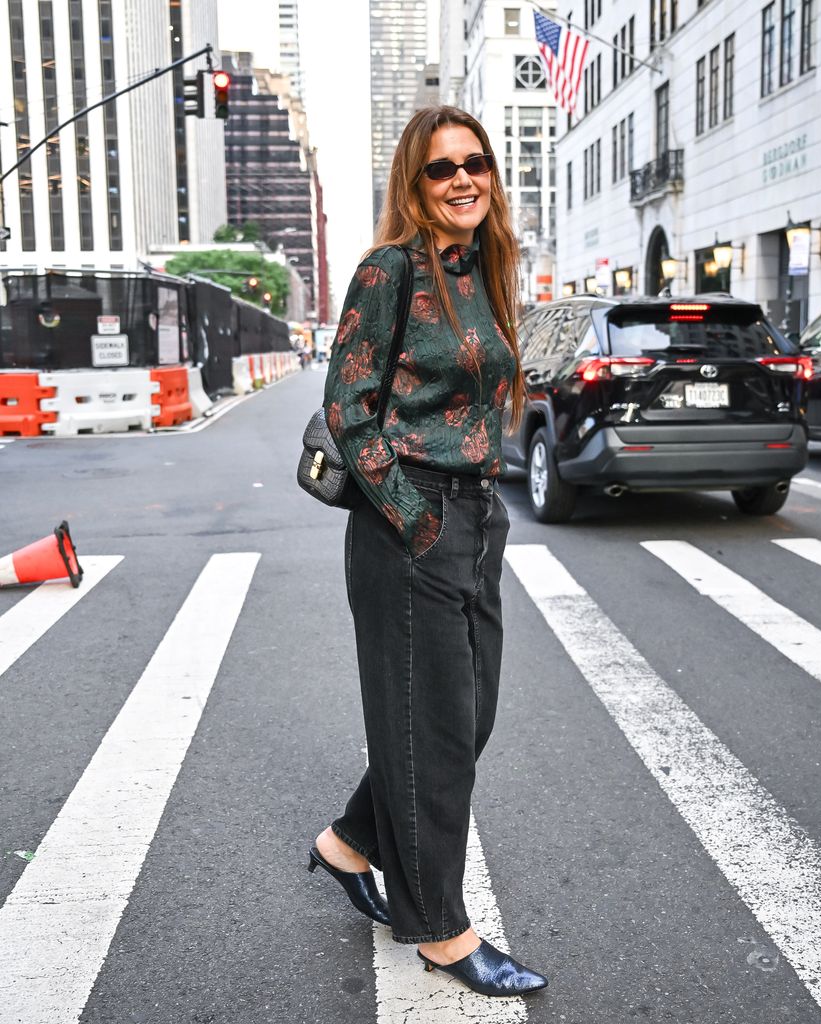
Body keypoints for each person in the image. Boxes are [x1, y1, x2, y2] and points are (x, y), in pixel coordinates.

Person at [309, 105, 547, 998]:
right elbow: (348, 404)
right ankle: (441, 929)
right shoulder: (390, 269)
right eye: (440, 168)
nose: (461, 180)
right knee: (436, 733)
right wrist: (414, 516)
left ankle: (349, 842)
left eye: (475, 163)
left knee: (466, 718)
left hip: (478, 520)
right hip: (410, 520)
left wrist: (474, 511)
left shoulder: (483, 269)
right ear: (414, 184)